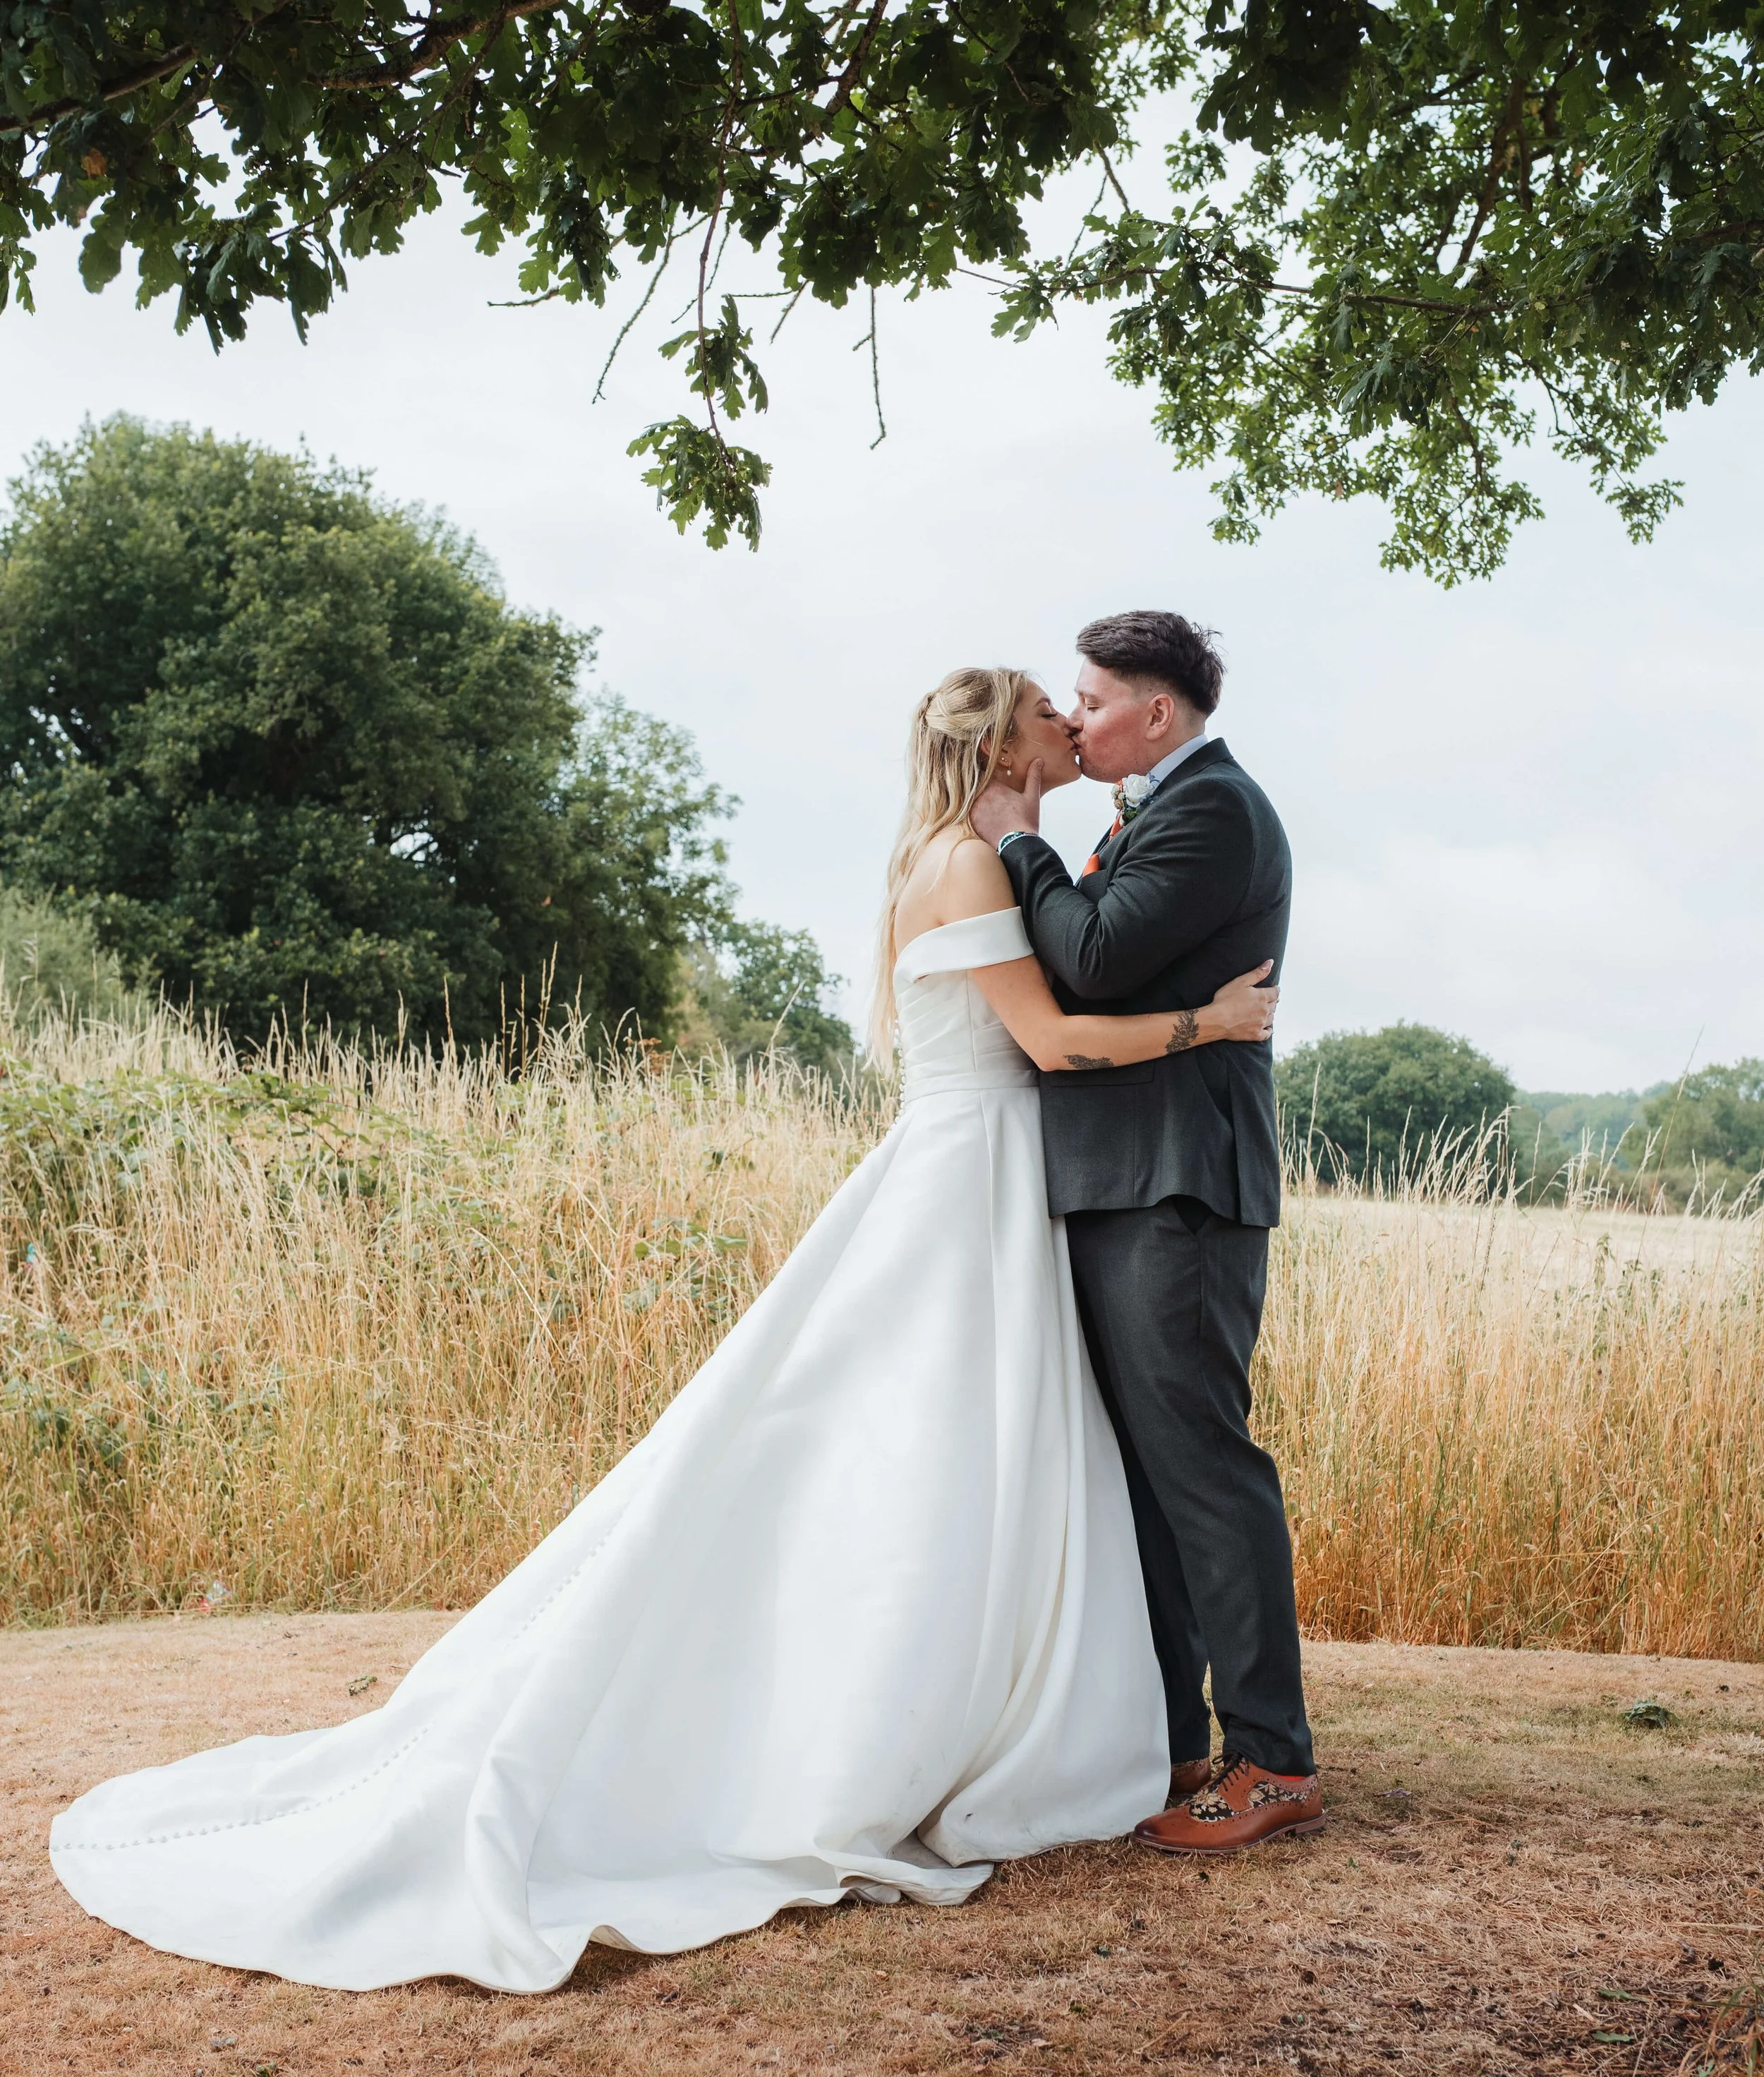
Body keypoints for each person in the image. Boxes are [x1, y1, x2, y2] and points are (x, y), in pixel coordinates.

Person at [49, 665, 1279, 1994]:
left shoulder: (983, 852)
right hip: (966, 1182)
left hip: (988, 1186)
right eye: (1050, 703)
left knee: (958, 1458)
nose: (1068, 720)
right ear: (998, 739)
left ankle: (1016, 1714)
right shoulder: (969, 866)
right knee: (916, 1451)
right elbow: (1045, 1042)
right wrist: (1208, 1021)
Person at [971, 611, 1322, 1857]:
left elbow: (1100, 962)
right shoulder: (1149, 810)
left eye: (1093, 700)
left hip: (1181, 1184)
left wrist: (1021, 848)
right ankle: (1176, 1740)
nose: (1074, 721)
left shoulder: (1213, 810)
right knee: (1143, 1479)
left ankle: (1273, 1757)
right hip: (1121, 1178)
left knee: (1202, 1465)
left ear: (1156, 713)